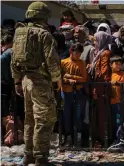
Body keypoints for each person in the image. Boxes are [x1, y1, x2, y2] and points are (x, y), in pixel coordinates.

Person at [10, 2, 61, 165]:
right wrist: (56, 79)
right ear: (44, 16)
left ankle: (28, 155)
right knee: (44, 119)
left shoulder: (19, 33)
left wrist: (17, 81)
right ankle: (40, 157)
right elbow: (52, 61)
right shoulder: (43, 34)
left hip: (25, 80)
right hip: (40, 82)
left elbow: (13, 60)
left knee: (29, 119)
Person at [88, 31, 113, 145]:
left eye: (97, 40)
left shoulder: (104, 54)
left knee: (102, 114)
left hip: (101, 87)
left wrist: (96, 88)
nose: (95, 42)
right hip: (99, 86)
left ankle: (103, 139)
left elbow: (104, 73)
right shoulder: (99, 53)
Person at [61, 43, 87, 146]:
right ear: (71, 52)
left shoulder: (82, 63)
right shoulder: (63, 62)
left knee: (78, 115)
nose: (78, 56)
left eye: (80, 53)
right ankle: (68, 137)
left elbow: (84, 78)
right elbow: (61, 76)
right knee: (66, 114)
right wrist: (67, 78)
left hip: (78, 92)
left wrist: (71, 77)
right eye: (76, 53)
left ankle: (77, 137)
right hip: (66, 92)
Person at [110, 56, 124, 140]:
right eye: (116, 64)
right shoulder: (109, 74)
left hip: (119, 101)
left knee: (118, 121)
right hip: (110, 101)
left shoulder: (122, 74)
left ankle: (119, 139)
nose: (118, 66)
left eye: (120, 64)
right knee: (111, 121)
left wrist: (117, 83)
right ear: (111, 65)